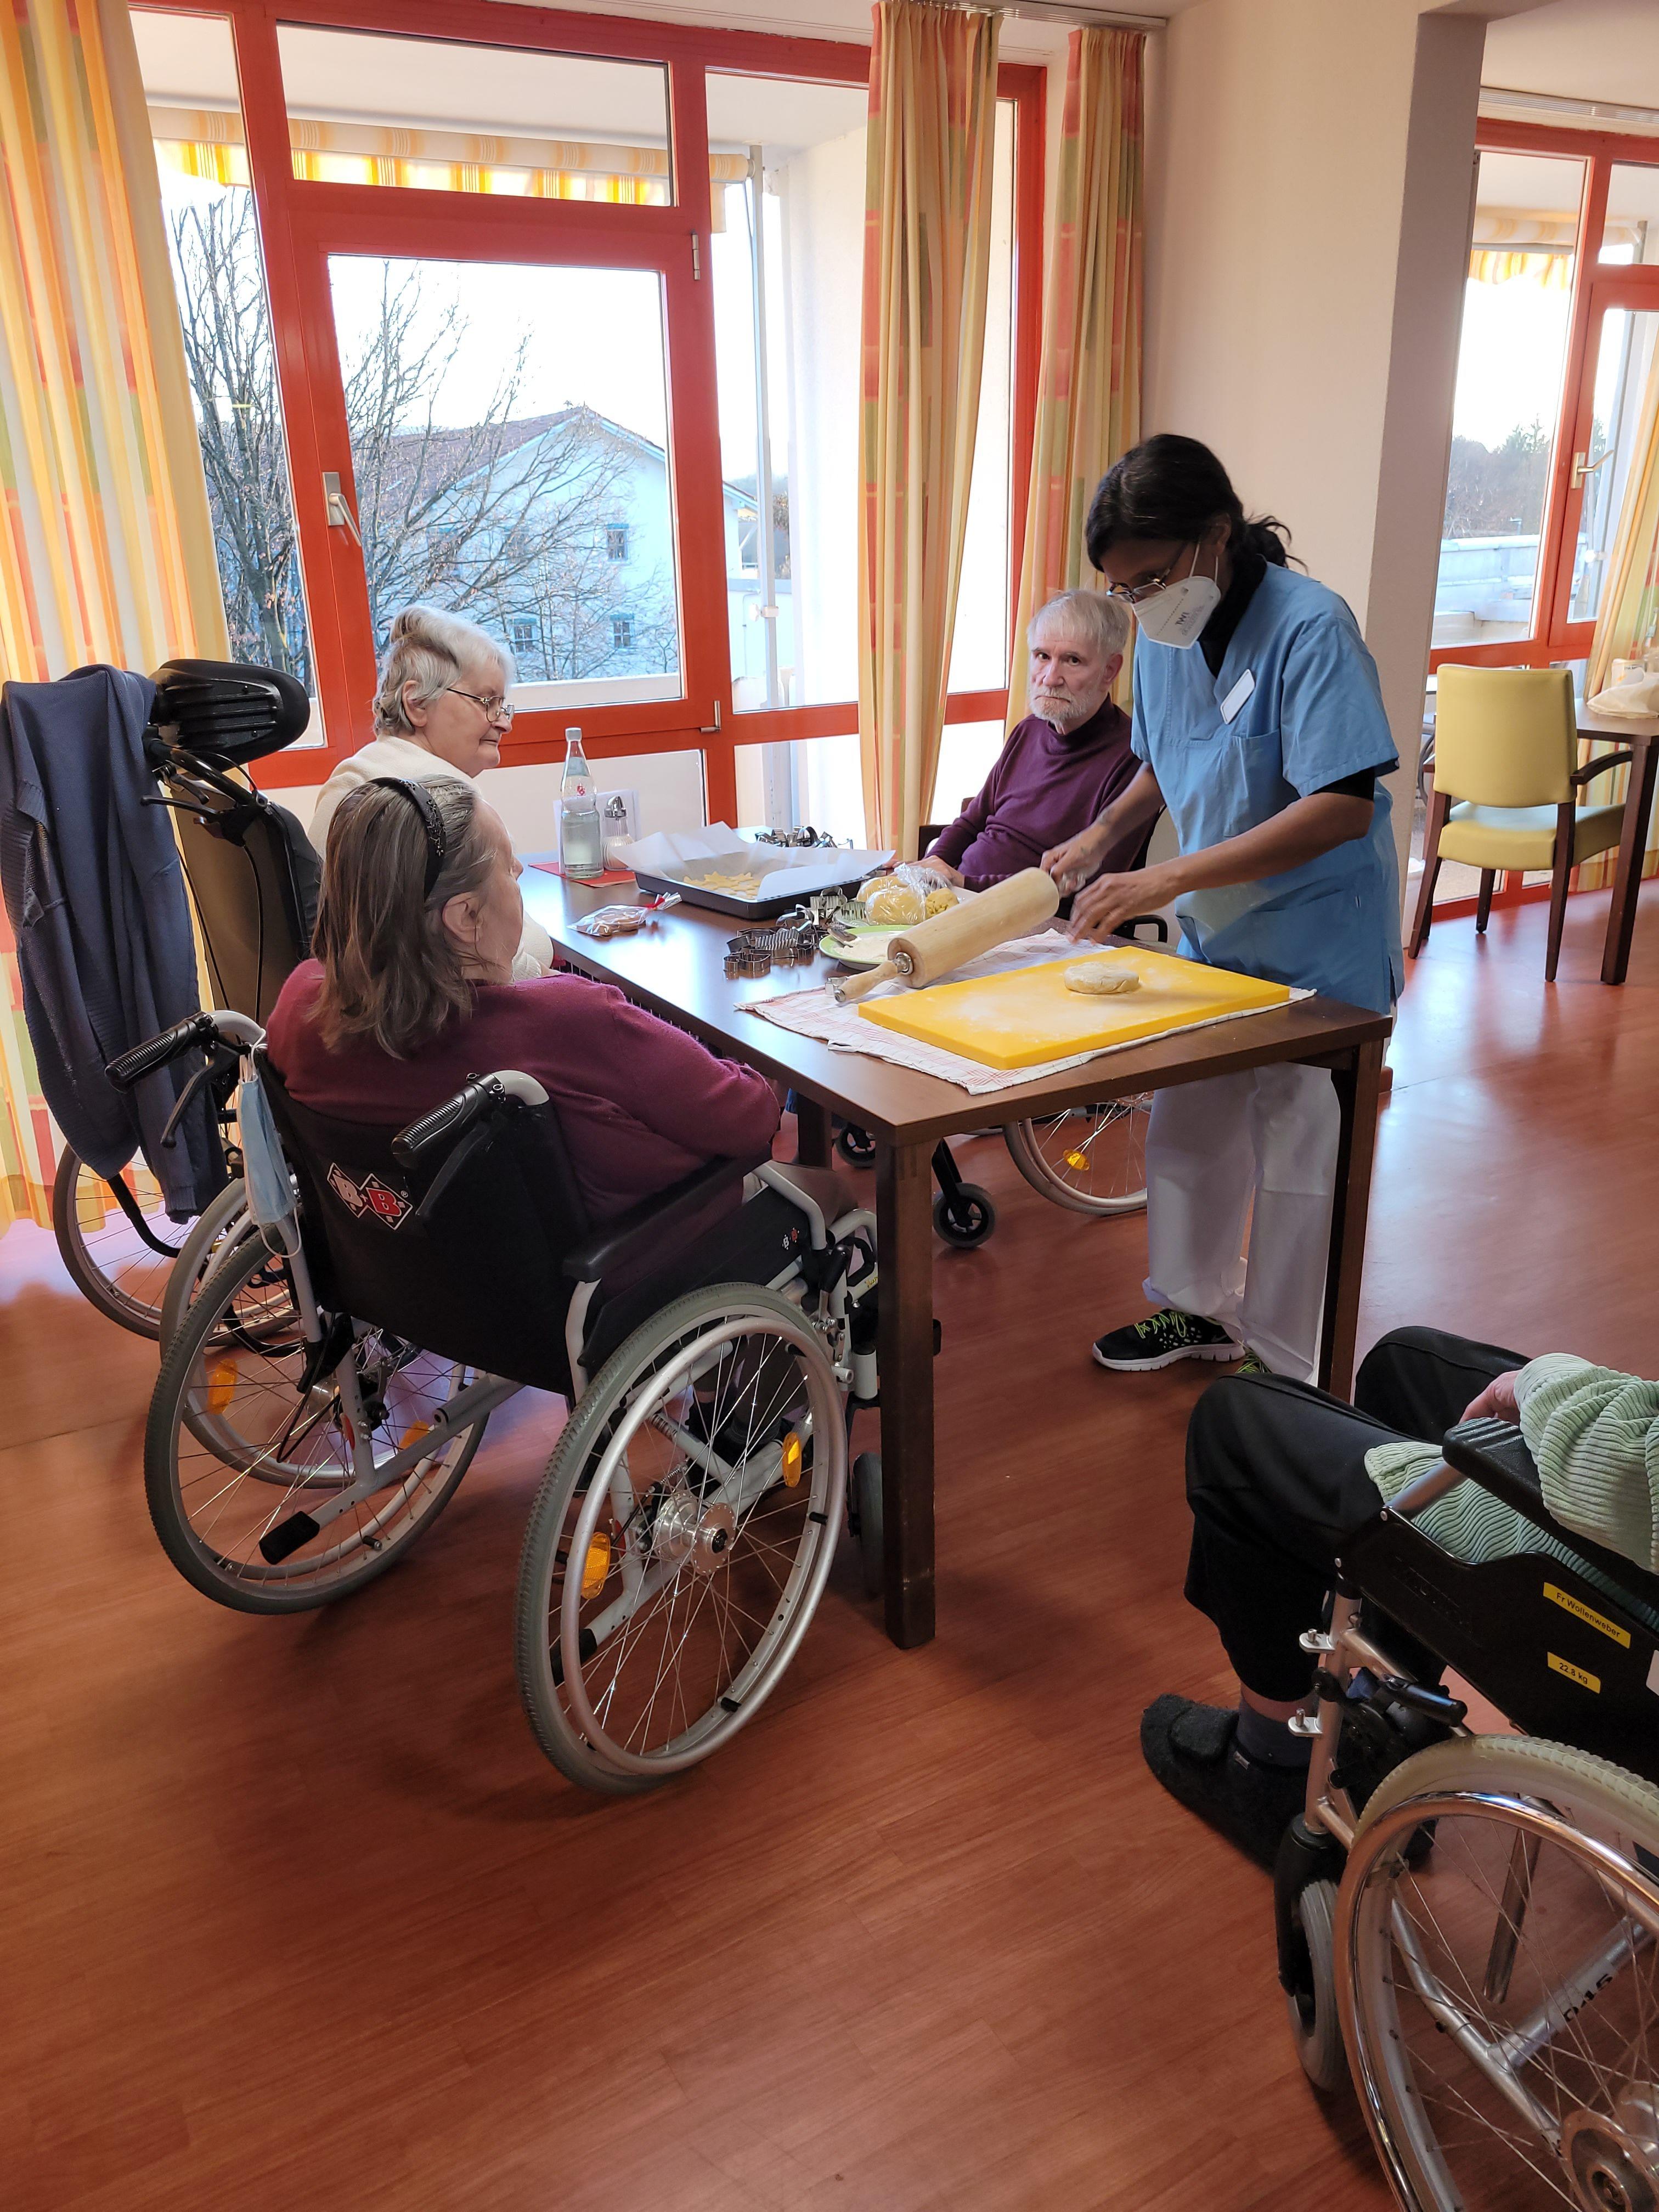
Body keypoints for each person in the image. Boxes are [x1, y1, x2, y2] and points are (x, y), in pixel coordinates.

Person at [1043, 436, 1402, 1384]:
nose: (1140, 601)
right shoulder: (1165, 636)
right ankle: (1196, 1309)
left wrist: (1162, 880)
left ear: (1215, 535)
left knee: (1301, 1163)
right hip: (1218, 937)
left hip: (1318, 946)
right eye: (1123, 588)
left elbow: (1340, 804)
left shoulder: (1310, 629)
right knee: (1189, 1131)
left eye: (1151, 578)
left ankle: (1287, 1368)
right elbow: (1167, 760)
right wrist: (1098, 837)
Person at [1143, 1335, 1659, 1868]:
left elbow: (1618, 1475)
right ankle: (1390, 1721)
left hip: (1630, 1567)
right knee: (1404, 1367)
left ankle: (1271, 1769)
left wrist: (1544, 1381)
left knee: (1234, 1424)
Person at [267, 776, 780, 1222]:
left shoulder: (299, 1007)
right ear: (466, 917)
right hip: (638, 1266)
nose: (519, 876)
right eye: (510, 870)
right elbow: (750, 1117)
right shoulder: (566, 1021)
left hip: (414, 1276)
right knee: (812, 1187)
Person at [308, 606, 555, 981]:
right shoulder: (429, 802)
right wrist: (563, 988)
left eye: (503, 705)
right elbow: (505, 961)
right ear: (417, 704)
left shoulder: (356, 776)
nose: (504, 722)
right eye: (486, 702)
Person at [924, 591, 1150, 890]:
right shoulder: (1028, 730)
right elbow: (971, 822)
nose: (1050, 678)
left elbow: (1089, 886)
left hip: (1026, 912)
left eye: (1073, 660)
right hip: (959, 896)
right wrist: (930, 867)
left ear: (1110, 671)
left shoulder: (1132, 758)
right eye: (1042, 656)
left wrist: (966, 883)